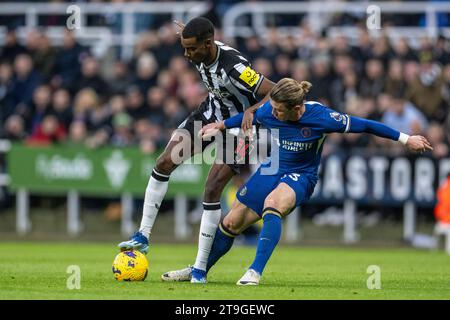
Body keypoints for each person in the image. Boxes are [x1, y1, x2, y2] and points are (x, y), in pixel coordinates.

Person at [167, 78, 433, 285]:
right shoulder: (272, 110)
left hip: (301, 175)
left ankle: (254, 271)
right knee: (231, 221)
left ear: (296, 108)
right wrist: (222, 125)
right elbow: (251, 117)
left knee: (273, 205)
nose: (273, 113)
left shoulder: (322, 117)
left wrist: (405, 139)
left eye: (279, 110)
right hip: (271, 169)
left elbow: (366, 125)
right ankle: (199, 269)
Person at [118, 17, 275, 283]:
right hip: (209, 116)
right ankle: (142, 235)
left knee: (212, 188)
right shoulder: (201, 49)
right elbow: (194, 41)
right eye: (184, 47)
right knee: (164, 162)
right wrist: (187, 34)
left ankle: (200, 269)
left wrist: (252, 110)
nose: (186, 54)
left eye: (191, 49)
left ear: (208, 43)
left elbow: (276, 90)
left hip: (239, 130)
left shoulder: (235, 67)